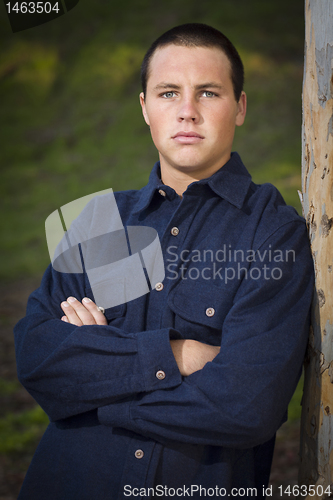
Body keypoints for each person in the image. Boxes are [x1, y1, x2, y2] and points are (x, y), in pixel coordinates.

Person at [14, 23, 314, 499]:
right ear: (145, 109)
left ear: (239, 107)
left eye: (209, 93)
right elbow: (38, 357)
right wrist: (177, 355)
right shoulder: (103, 218)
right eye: (169, 93)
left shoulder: (271, 233)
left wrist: (96, 388)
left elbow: (247, 404)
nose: (188, 112)